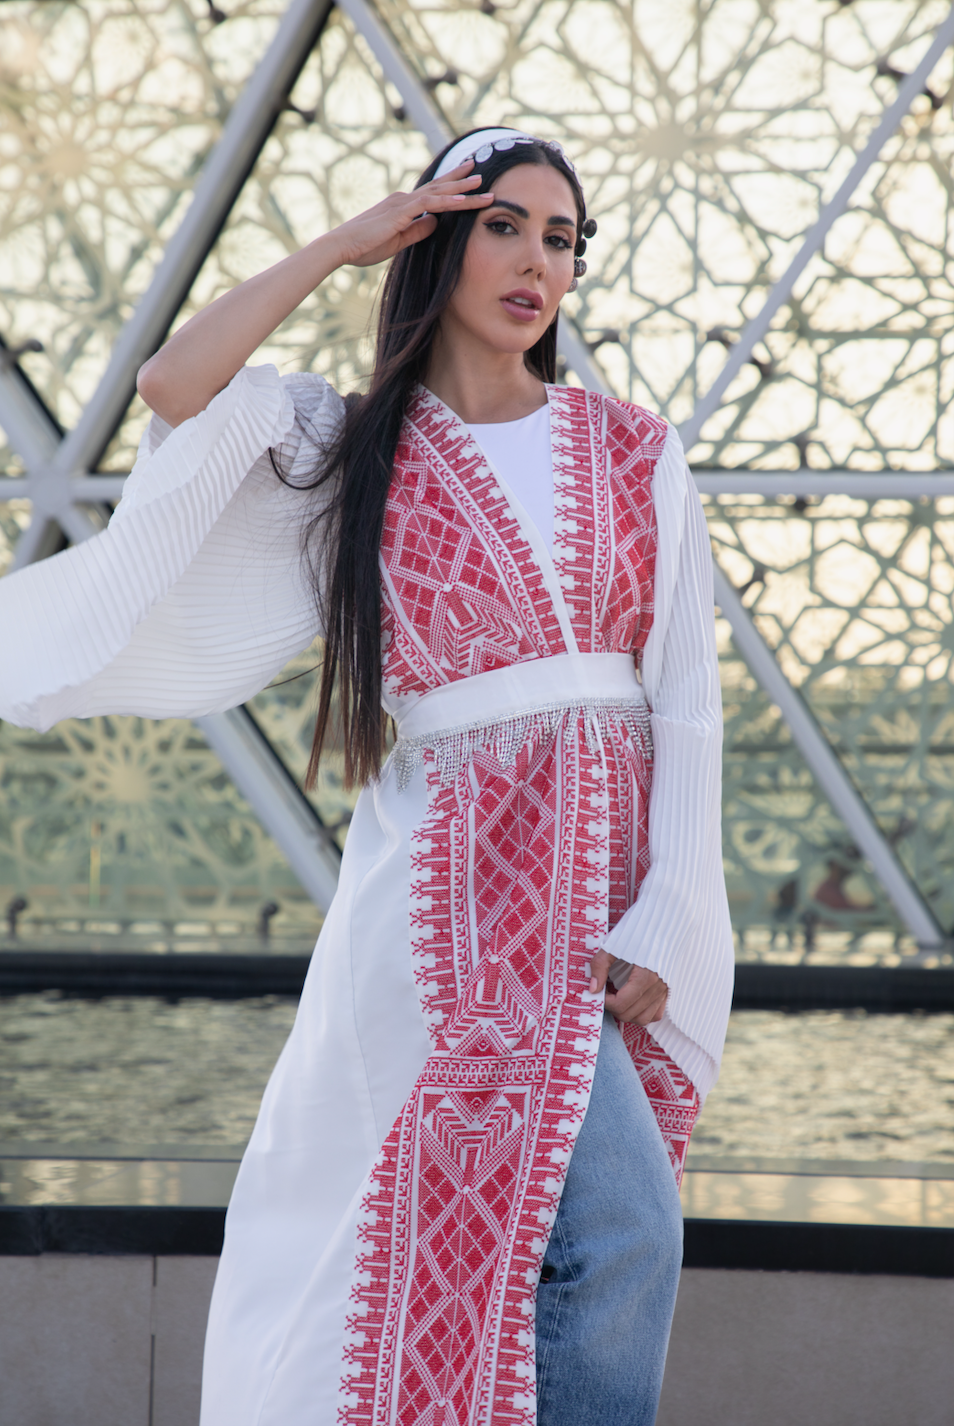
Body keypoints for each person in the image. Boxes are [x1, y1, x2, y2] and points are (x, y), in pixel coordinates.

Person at [0, 127, 734, 1426]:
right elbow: (176, 385)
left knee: (601, 1236)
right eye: (502, 223)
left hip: (596, 897)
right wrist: (348, 240)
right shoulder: (348, 450)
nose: (535, 261)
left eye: (561, 238)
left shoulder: (633, 450)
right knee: (586, 1234)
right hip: (445, 911)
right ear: (437, 233)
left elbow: (681, 692)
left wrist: (673, 901)